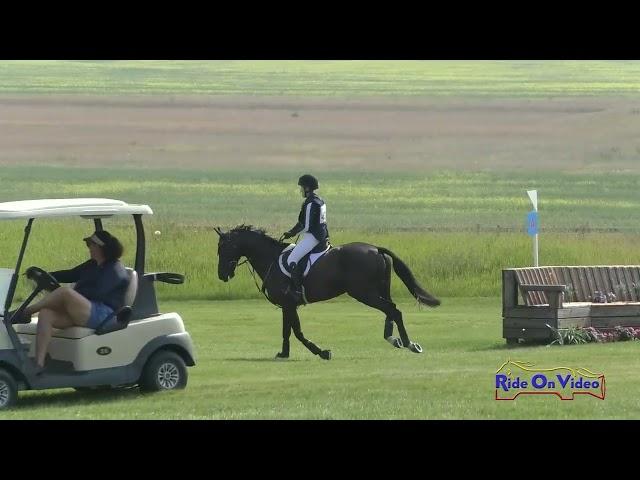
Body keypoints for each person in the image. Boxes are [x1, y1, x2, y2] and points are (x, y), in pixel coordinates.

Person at [11, 230, 130, 374]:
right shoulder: (92, 264)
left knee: (65, 292)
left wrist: (70, 298)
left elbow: (99, 294)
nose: (88, 248)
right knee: (46, 314)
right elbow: (70, 274)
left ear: (100, 247)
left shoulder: (115, 270)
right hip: (85, 311)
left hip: (104, 314)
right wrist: (45, 275)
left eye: (90, 244)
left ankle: (24, 312)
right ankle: (39, 364)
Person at [282, 174, 329, 303]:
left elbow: (307, 226)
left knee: (292, 259)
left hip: (313, 237)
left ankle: (297, 291)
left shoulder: (310, 203)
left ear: (307, 188)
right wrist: (291, 231)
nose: (300, 190)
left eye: (302, 187)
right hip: (322, 235)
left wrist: (292, 234)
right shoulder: (320, 200)